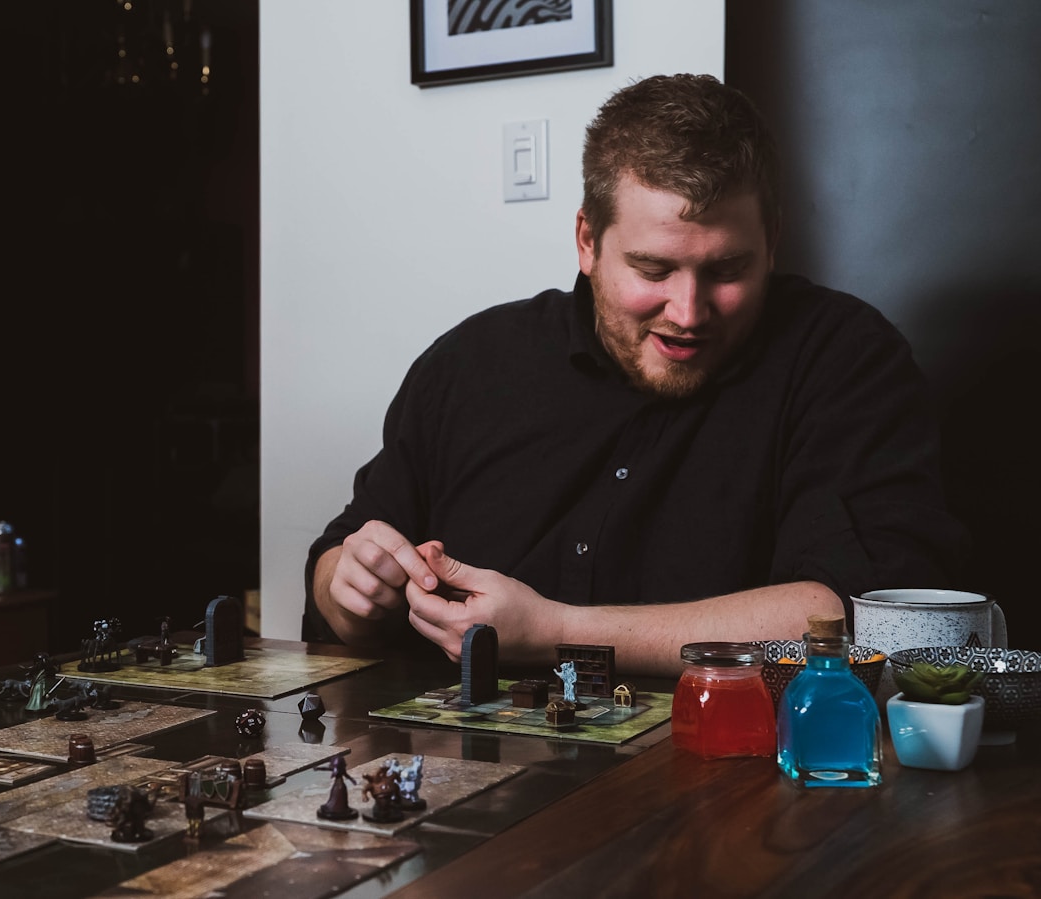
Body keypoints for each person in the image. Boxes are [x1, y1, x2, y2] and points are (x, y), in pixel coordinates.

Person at [305, 74, 967, 675]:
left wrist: (556, 633)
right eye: (654, 270)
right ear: (587, 241)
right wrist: (351, 591)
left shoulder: (846, 359)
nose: (688, 312)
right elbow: (341, 561)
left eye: (727, 270)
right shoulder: (467, 364)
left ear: (772, 243)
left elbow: (867, 617)